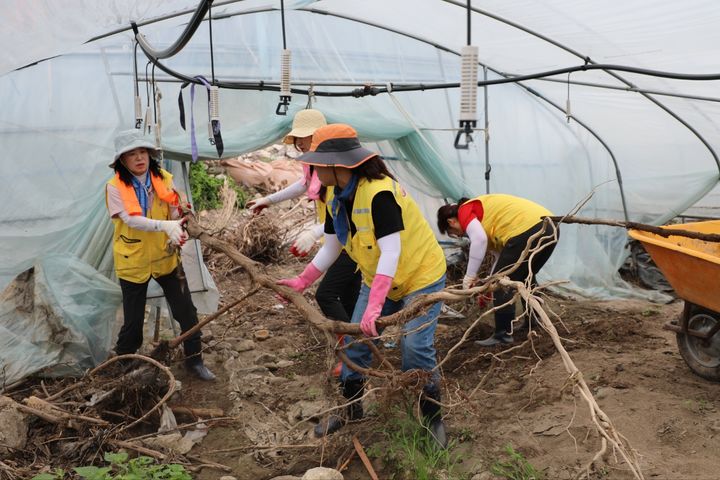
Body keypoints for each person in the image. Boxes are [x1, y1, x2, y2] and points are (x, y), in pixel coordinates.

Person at [277, 124, 448, 447]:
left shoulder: (379, 192)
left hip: (420, 276)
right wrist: (301, 281)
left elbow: (392, 251)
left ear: (336, 165)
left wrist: (372, 307)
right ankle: (351, 410)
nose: (312, 169)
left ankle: (433, 418)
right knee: (356, 344)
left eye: (316, 163)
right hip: (380, 278)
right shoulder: (333, 195)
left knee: (415, 349)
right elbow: (332, 247)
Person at [247, 110, 362, 368]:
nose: (299, 143)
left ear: (319, 137)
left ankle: (352, 352)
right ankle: (356, 350)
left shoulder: (337, 171)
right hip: (337, 238)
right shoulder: (315, 166)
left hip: (350, 242)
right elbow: (304, 184)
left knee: (327, 294)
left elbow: (343, 213)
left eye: (305, 137)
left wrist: (313, 231)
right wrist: (268, 200)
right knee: (348, 296)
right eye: (297, 139)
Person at [105, 129, 215, 381]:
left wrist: (179, 222)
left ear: (149, 154)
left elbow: (176, 210)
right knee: (133, 323)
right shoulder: (114, 188)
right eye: (131, 154)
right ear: (122, 160)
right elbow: (131, 220)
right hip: (133, 261)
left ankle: (194, 361)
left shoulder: (163, 177)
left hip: (166, 258)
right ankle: (125, 366)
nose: (139, 158)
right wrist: (165, 226)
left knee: (187, 312)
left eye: (142, 151)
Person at [437, 194, 559, 347]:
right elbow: (500, 261)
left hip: (527, 228)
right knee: (525, 276)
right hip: (549, 226)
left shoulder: (465, 210)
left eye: (455, 233)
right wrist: (488, 288)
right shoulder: (487, 224)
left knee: (504, 283)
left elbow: (479, 240)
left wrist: (469, 277)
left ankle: (503, 335)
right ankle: (533, 322)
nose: (461, 235)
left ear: (451, 221)